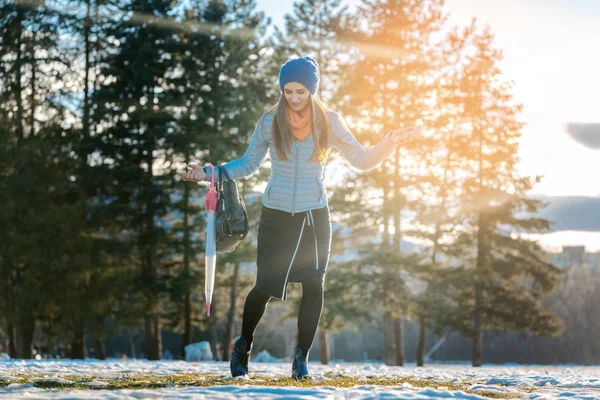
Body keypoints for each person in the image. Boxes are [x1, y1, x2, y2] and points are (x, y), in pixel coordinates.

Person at [182, 56, 419, 379]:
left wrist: (388, 143)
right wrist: (210, 173)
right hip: (276, 215)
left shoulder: (329, 122)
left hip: (313, 216)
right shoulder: (269, 121)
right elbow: (248, 164)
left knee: (314, 285)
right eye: (288, 91)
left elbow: (361, 160)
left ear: (312, 90)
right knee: (264, 287)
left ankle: (301, 359)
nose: (293, 98)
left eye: (300, 92)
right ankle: (244, 344)